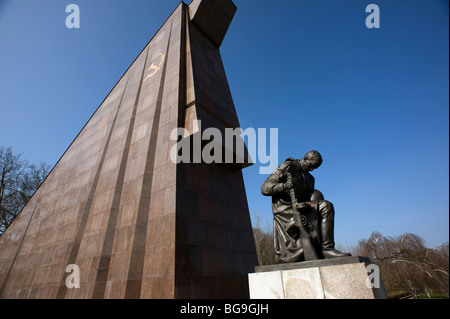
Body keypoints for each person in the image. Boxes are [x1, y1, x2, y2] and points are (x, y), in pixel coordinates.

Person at [261, 150, 351, 263]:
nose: (312, 169)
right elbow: (265, 188)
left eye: (315, 168)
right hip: (285, 212)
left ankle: (327, 248)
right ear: (305, 159)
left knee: (326, 206)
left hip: (302, 208)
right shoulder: (287, 167)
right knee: (322, 207)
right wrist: (284, 186)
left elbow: (310, 198)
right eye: (311, 166)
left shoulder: (310, 178)